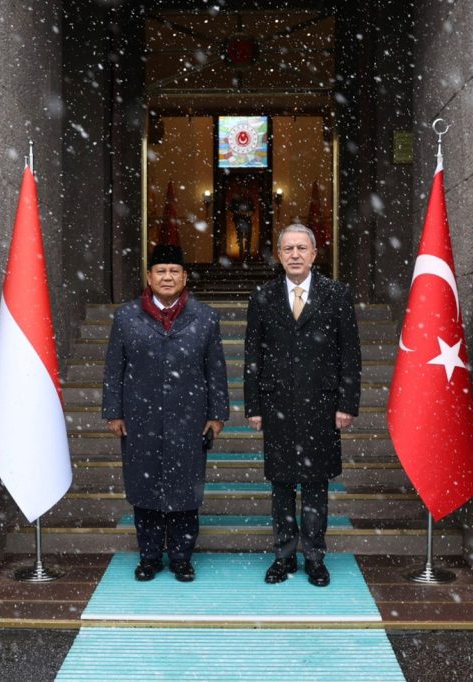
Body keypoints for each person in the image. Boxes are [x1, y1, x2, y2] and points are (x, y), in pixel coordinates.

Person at [102, 244, 229, 582]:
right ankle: (149, 557)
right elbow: (114, 368)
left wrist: (217, 414)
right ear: (149, 277)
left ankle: (182, 558)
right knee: (144, 489)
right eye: (161, 271)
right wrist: (114, 411)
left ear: (185, 277)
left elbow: (215, 369)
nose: (168, 277)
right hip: (139, 417)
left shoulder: (205, 317)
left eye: (174, 271)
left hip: (189, 417)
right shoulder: (126, 317)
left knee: (185, 490)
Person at [243, 223, 361, 587]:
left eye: (301, 248)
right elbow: (252, 356)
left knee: (315, 485)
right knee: (281, 484)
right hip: (276, 405)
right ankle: (283, 556)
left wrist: (347, 404)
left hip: (321, 406)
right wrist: (253, 406)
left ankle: (314, 557)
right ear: (279, 256)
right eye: (288, 249)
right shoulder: (262, 297)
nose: (295, 254)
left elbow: (350, 354)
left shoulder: (336, 294)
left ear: (313, 254)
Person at [230, 194, 255, 260]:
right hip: (240, 220)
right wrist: (238, 212)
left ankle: (246, 254)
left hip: (246, 220)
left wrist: (250, 213)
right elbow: (231, 209)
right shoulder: (236, 200)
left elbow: (253, 210)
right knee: (240, 237)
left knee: (246, 237)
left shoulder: (248, 199)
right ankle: (242, 254)